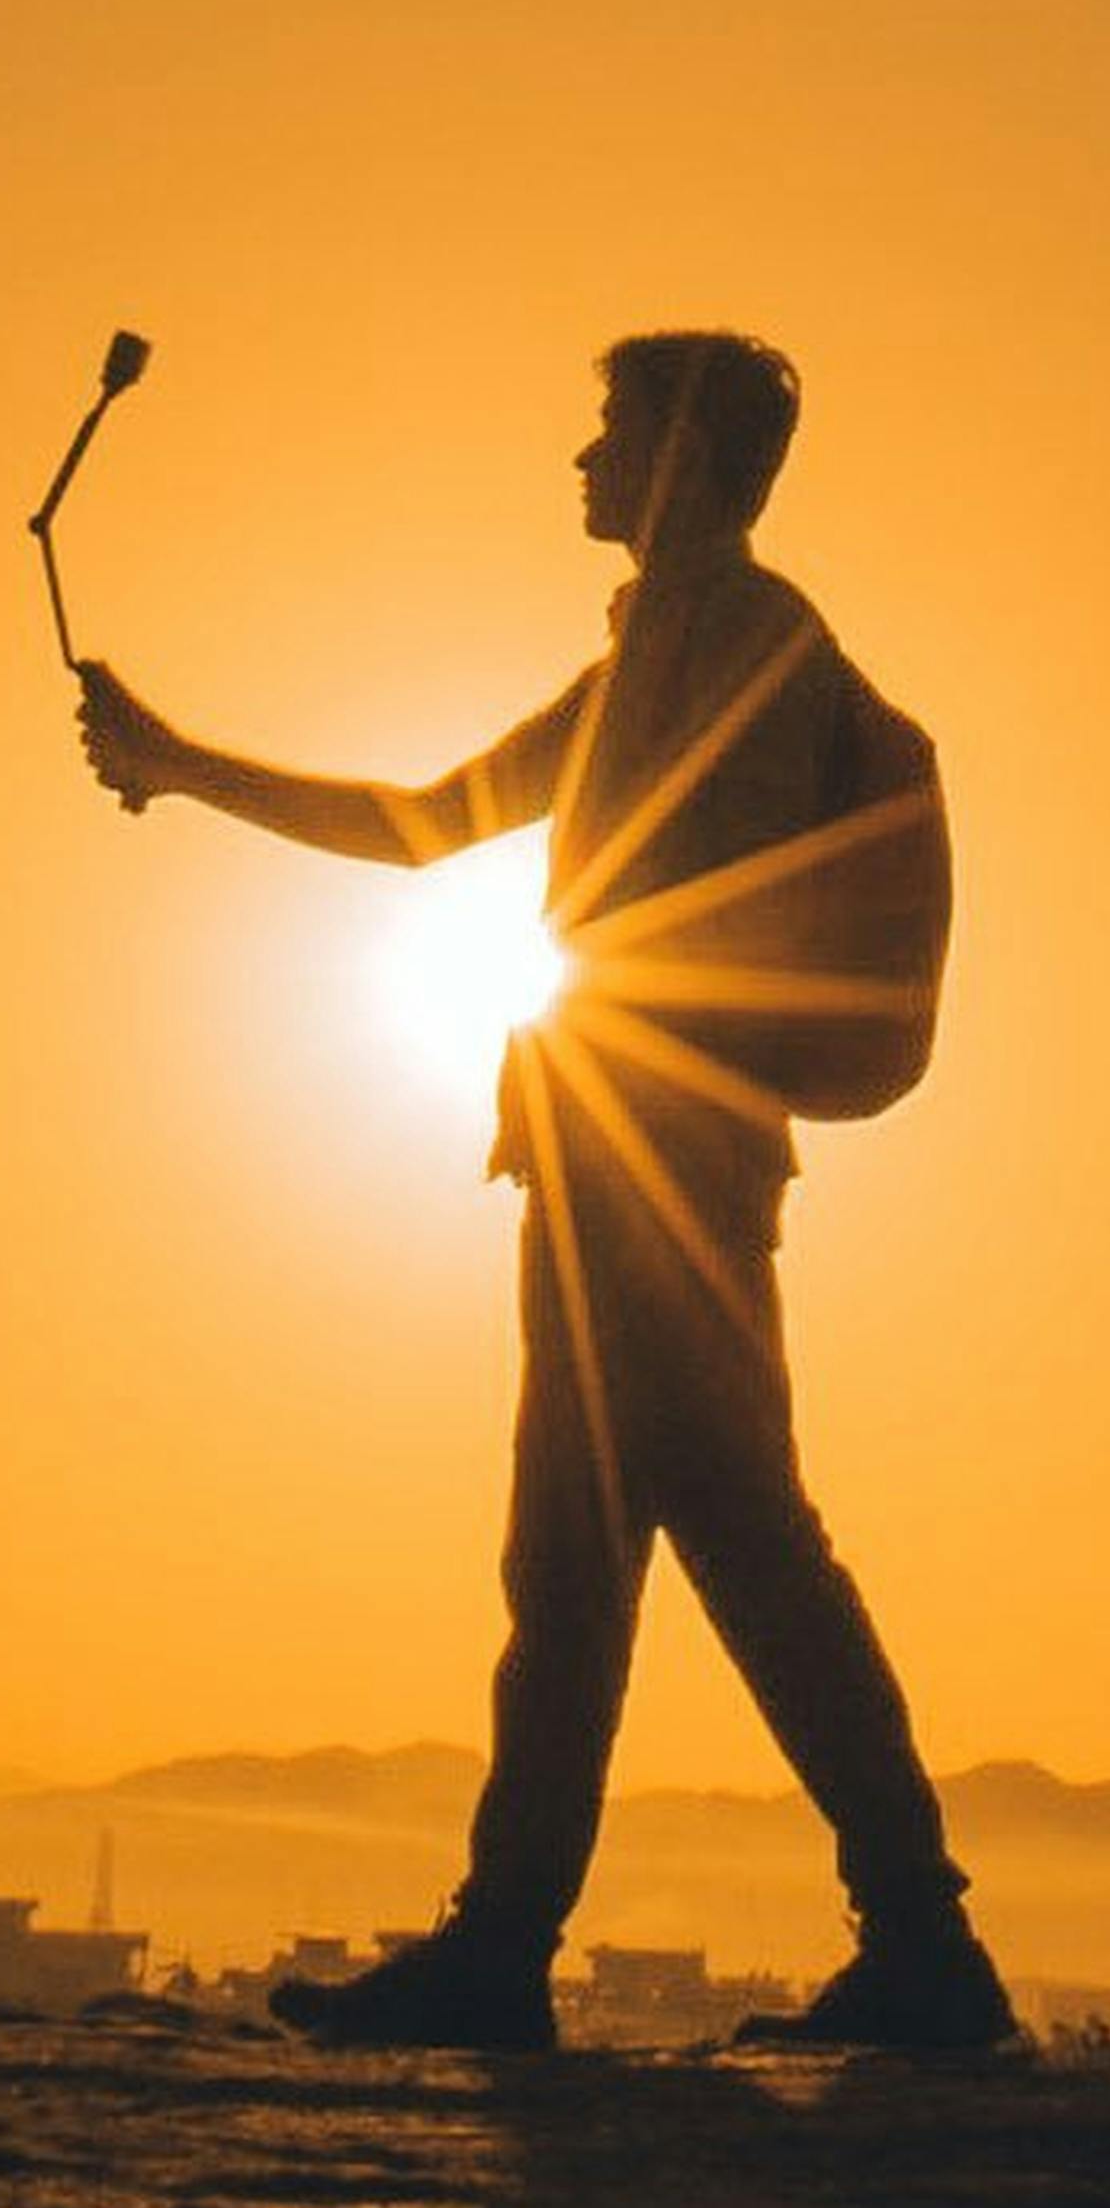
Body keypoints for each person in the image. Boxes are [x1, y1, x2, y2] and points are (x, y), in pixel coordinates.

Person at [74, 328, 1013, 2053]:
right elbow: (441, 825)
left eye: (609, 430)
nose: (581, 461)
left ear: (675, 461)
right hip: (637, 1142)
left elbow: (652, 903)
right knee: (603, 1558)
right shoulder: (684, 644)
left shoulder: (728, 636)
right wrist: (186, 761)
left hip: (649, 1151)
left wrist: (620, 1099)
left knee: (697, 1547)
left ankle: (878, 1947)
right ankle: (576, 1946)